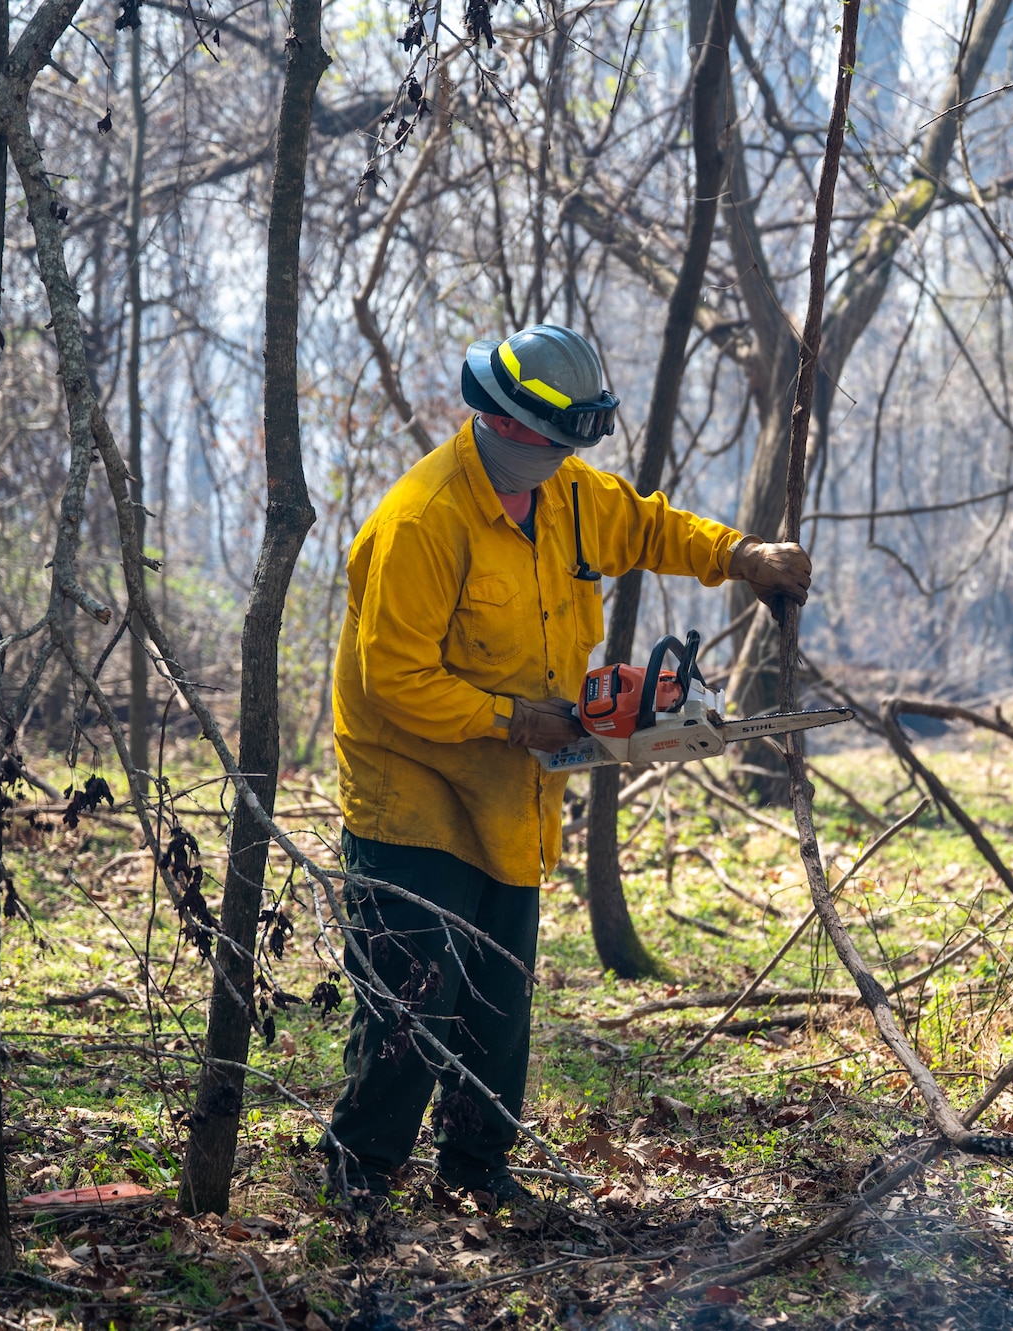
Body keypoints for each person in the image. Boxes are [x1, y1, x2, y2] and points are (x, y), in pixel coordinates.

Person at [323, 324, 810, 1209]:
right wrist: (513, 719)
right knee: (414, 992)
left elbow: (650, 526)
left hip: (512, 787)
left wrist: (740, 556)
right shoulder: (423, 521)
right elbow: (392, 679)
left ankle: (476, 1166)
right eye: (560, 441)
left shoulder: (569, 495)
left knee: (499, 998)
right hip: (413, 788)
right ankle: (360, 1173)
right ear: (507, 424)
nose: (570, 458)